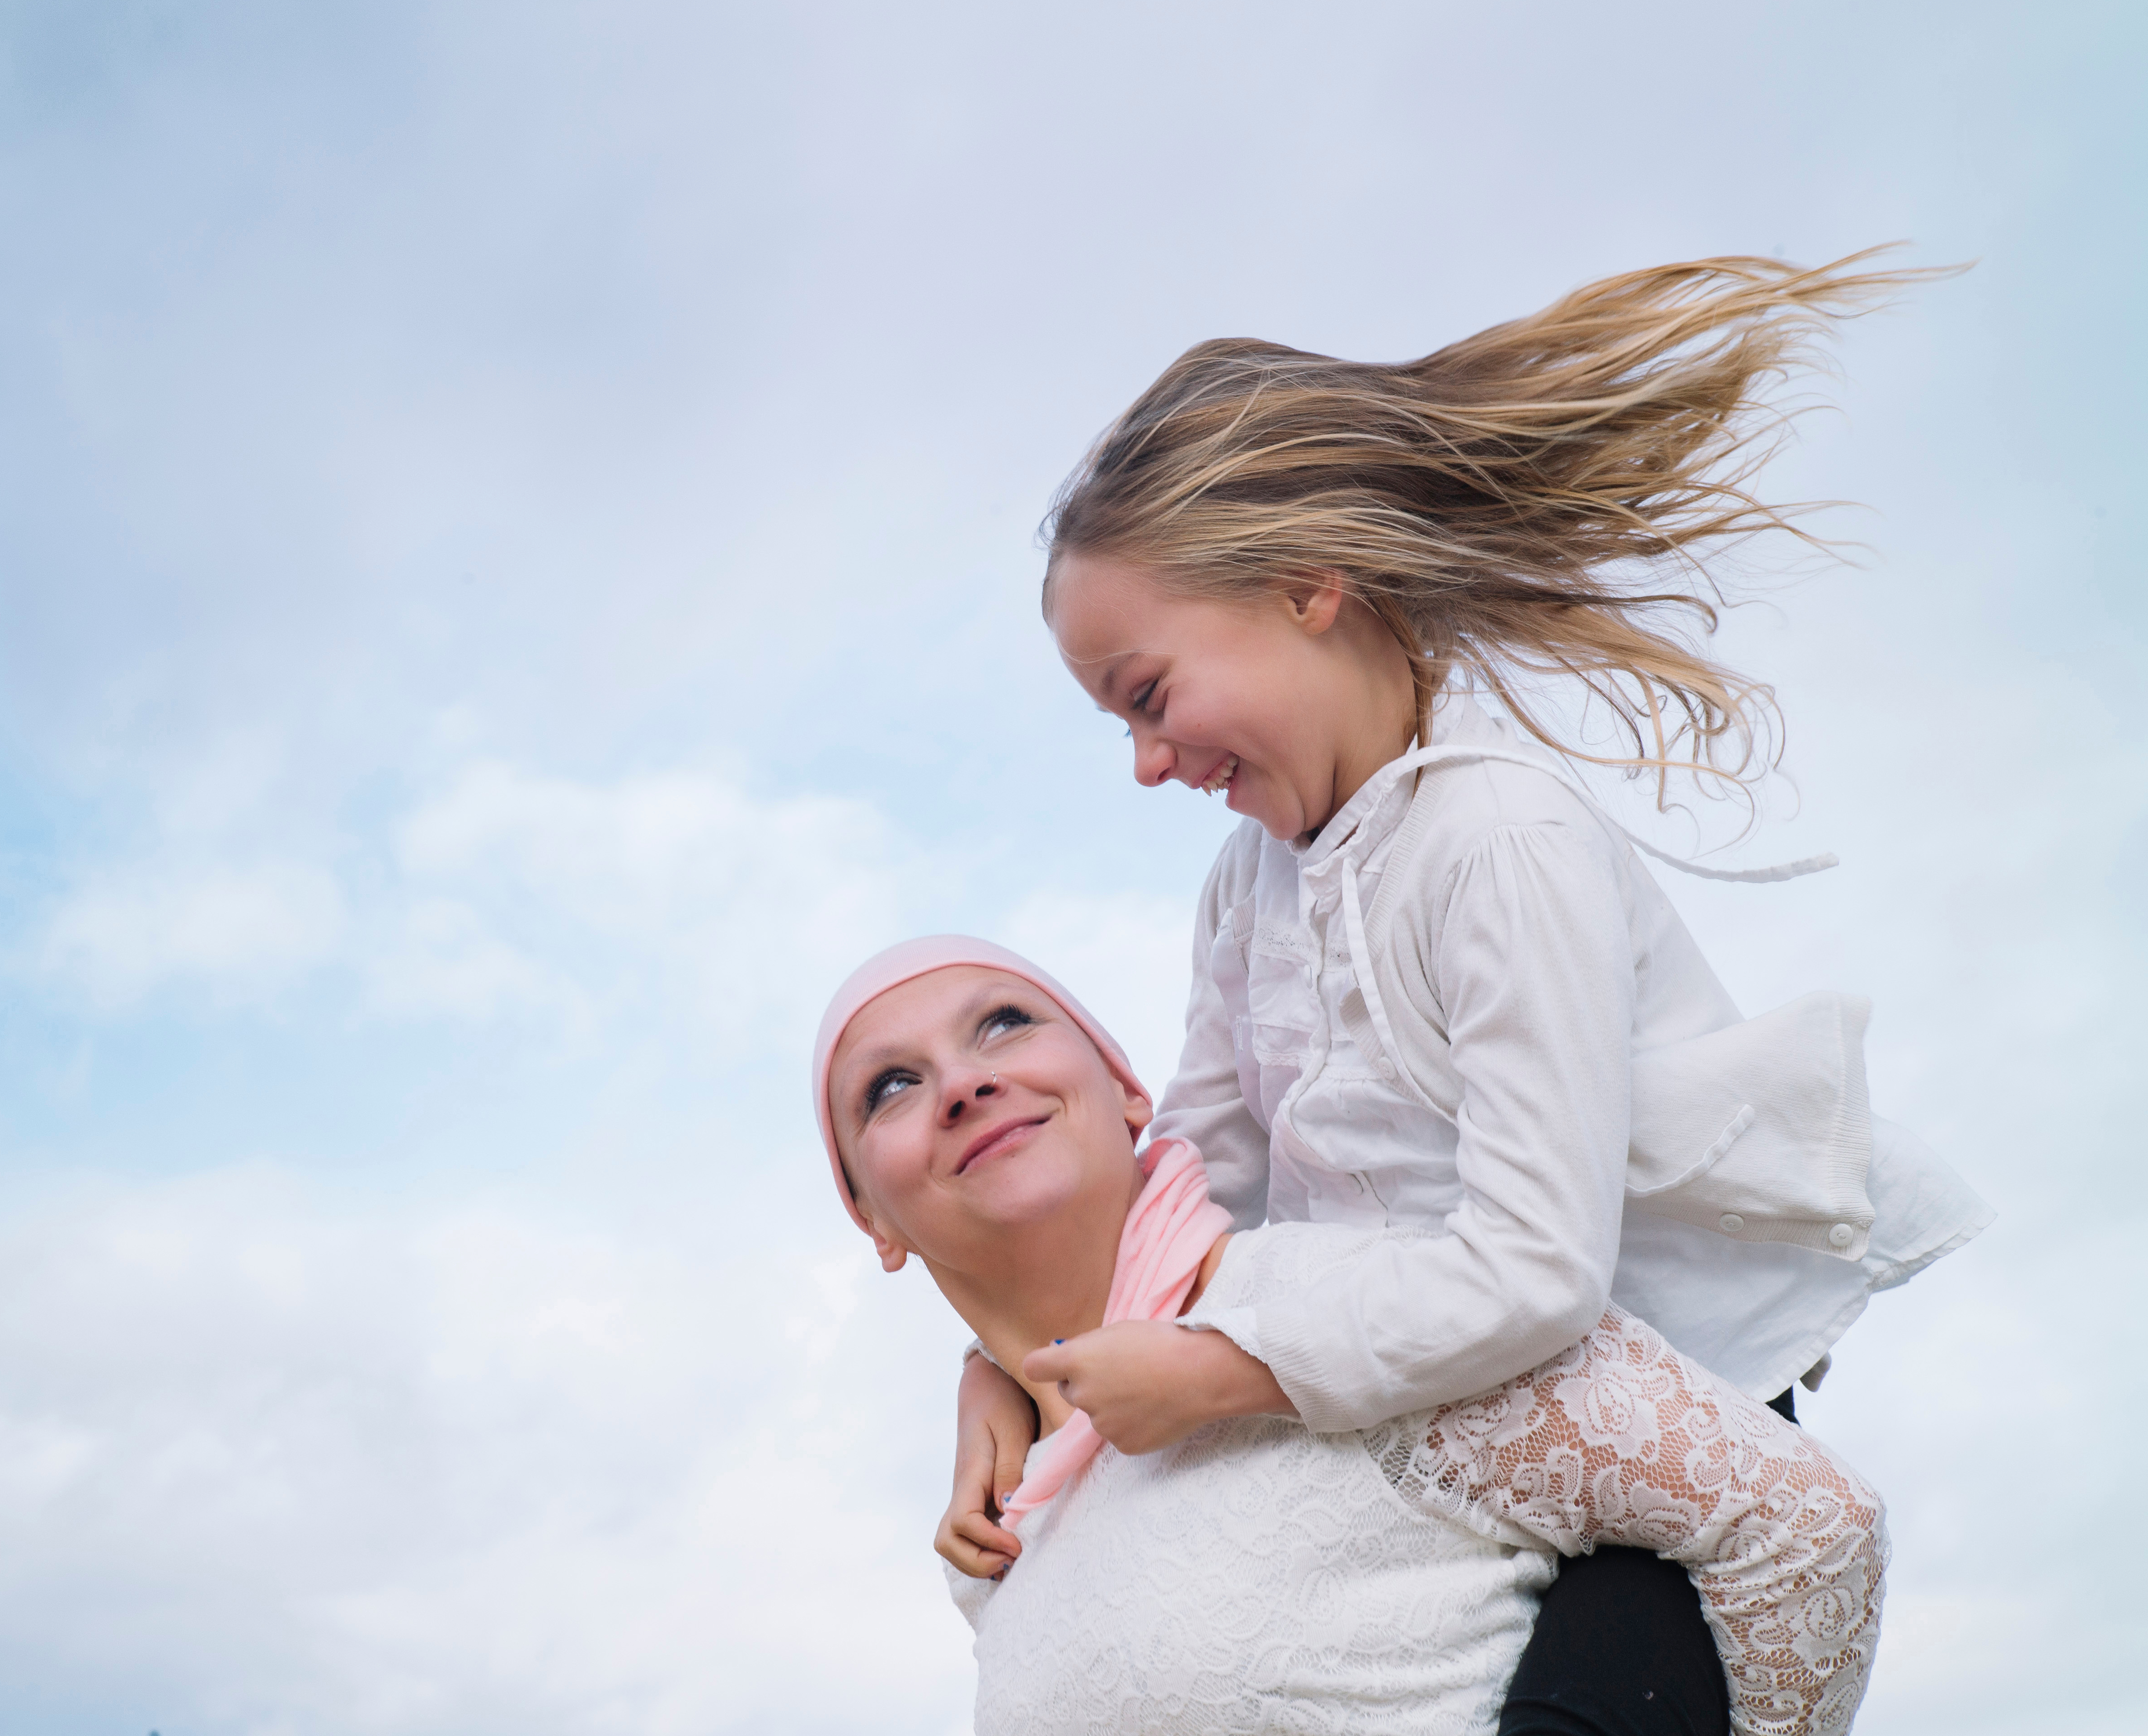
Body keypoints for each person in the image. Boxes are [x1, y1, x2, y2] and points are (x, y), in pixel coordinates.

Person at [941, 253, 1992, 1729]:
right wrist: (1009, 1375)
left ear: (1306, 588)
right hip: (1429, 1428)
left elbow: (1536, 1273)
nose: (1146, 763)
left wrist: (1223, 1367)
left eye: (1148, 693)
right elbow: (1182, 1197)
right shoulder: (1248, 892)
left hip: (1658, 1443)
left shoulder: (1498, 842)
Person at [816, 936, 1887, 1736]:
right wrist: (1000, 1378)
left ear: (1131, 1091)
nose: (962, 1083)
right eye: (891, 1087)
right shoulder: (1003, 1525)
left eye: (1002, 1023)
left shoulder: (1345, 1300)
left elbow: (1804, 1521)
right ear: (870, 1217)